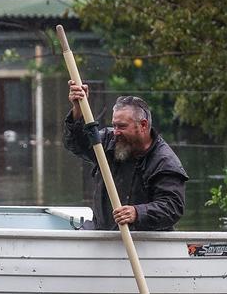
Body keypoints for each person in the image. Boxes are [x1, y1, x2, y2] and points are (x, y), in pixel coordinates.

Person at [64, 81, 187, 230]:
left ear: (143, 125)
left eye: (122, 126)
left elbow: (172, 207)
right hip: (101, 233)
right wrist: (78, 109)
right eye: (114, 125)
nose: (116, 132)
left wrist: (137, 213)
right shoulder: (107, 141)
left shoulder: (164, 162)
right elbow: (77, 144)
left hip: (144, 241)